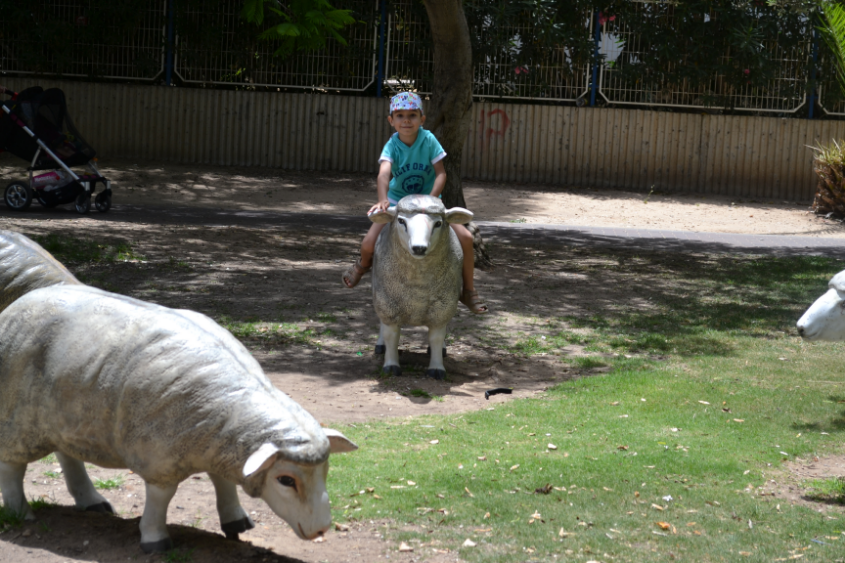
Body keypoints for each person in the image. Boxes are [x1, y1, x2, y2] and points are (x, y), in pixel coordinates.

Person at [341, 92, 488, 314]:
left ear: (422, 119)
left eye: (412, 115)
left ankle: (468, 291)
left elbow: (441, 174)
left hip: (430, 202)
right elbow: (383, 174)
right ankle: (362, 266)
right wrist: (382, 199)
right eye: (400, 115)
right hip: (398, 203)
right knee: (368, 243)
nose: (406, 120)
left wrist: (431, 198)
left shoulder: (428, 140)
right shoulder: (392, 145)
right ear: (391, 121)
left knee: (466, 238)